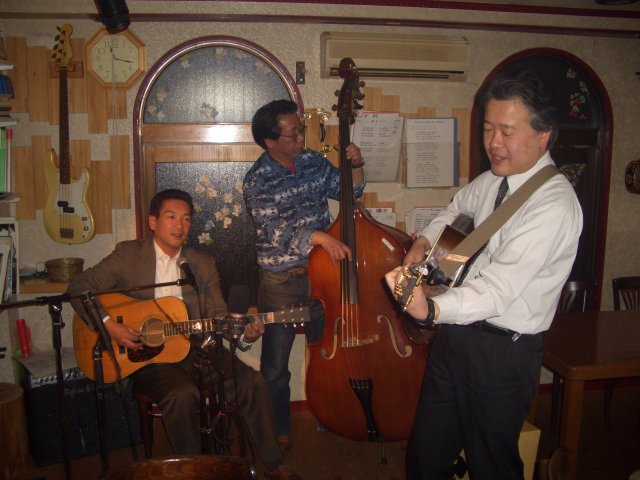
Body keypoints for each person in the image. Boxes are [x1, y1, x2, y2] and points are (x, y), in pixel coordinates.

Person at [384, 70, 583, 479]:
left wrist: (431, 310)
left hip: (501, 353)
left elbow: (497, 290)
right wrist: (424, 241)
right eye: (488, 128)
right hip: (455, 338)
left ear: (544, 136)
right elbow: (455, 210)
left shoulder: (554, 204)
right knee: (426, 458)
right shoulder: (492, 180)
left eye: (507, 131)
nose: (493, 142)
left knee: (491, 464)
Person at [68, 188, 302, 480]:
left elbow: (218, 315)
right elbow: (79, 288)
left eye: (187, 218)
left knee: (252, 381)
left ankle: (273, 465)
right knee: (181, 394)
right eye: (171, 217)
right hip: (149, 357)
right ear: (153, 222)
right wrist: (108, 325)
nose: (180, 225)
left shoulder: (201, 264)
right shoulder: (128, 255)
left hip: (199, 349)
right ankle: (192, 471)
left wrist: (246, 336)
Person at [243, 99, 365, 449]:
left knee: (327, 352)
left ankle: (328, 415)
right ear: (270, 141)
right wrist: (320, 237)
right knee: (275, 364)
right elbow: (274, 231)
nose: (301, 137)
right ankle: (279, 428)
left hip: (321, 274)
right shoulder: (257, 179)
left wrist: (356, 165)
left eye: (301, 130)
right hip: (281, 281)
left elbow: (350, 192)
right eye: (293, 133)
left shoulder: (312, 161)